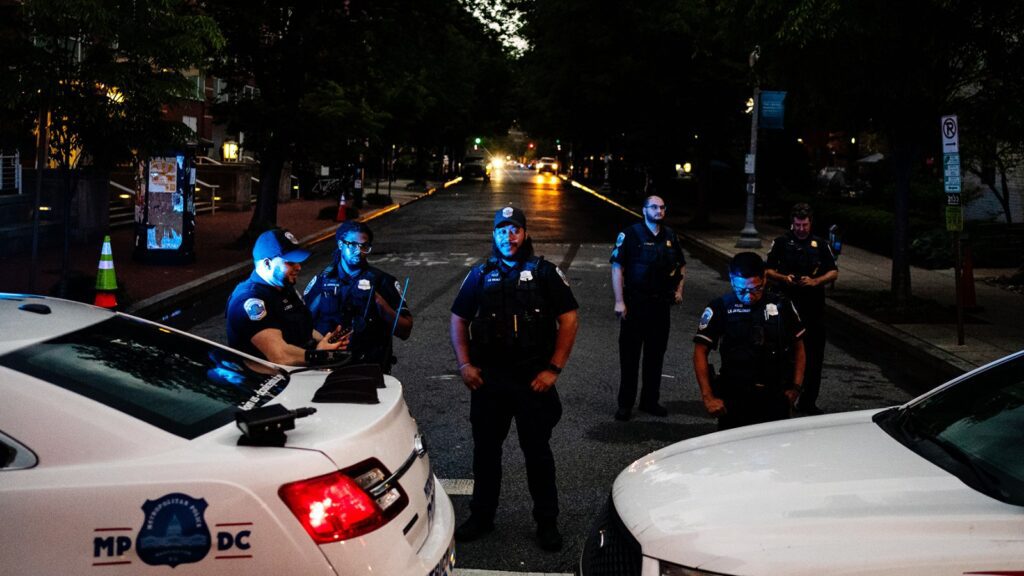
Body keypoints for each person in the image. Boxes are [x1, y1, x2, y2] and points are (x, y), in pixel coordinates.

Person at [449, 205, 579, 552]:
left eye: (515, 229)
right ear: (494, 235)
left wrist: (553, 369)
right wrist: (464, 365)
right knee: (486, 453)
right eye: (503, 230)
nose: (509, 236)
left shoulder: (544, 272)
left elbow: (569, 318)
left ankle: (547, 522)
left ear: (525, 234)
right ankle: (482, 516)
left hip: (532, 380)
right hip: (489, 381)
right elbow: (458, 318)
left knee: (537, 454)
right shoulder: (480, 274)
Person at [693, 252, 806, 431]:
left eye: (755, 289)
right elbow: (700, 350)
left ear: (764, 279)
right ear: (731, 280)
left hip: (774, 395)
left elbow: (799, 348)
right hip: (735, 395)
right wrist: (708, 396)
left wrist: (796, 387)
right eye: (741, 290)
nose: (748, 296)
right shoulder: (720, 307)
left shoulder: (781, 305)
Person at [610, 195, 686, 420]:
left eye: (662, 207)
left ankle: (649, 401)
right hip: (636, 303)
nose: (659, 211)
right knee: (630, 356)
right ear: (644, 210)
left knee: (655, 356)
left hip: (661, 304)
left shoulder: (670, 235)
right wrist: (619, 300)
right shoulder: (631, 234)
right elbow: (617, 267)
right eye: (654, 207)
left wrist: (679, 291)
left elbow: (681, 266)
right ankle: (625, 404)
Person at [226, 228, 347, 366]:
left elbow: (302, 327)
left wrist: (327, 342)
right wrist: (319, 355)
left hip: (300, 369)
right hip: (274, 382)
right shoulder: (249, 299)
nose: (298, 267)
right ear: (267, 263)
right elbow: (279, 355)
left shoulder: (282, 286)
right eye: (290, 262)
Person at [305, 221, 412, 373]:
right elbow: (302, 324)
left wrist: (377, 301)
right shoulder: (322, 281)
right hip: (327, 368)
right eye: (352, 244)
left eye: (364, 246)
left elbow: (405, 330)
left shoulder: (383, 281)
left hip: (369, 370)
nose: (358, 250)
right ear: (341, 245)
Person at [766, 203, 838, 415]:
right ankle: (783, 398)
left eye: (804, 224)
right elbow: (768, 270)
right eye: (797, 224)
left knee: (814, 359)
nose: (801, 229)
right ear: (792, 223)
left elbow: (833, 272)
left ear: (810, 223)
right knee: (785, 356)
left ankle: (808, 402)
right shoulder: (781, 243)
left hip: (813, 309)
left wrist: (815, 281)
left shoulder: (820, 244)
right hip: (787, 307)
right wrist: (784, 278)